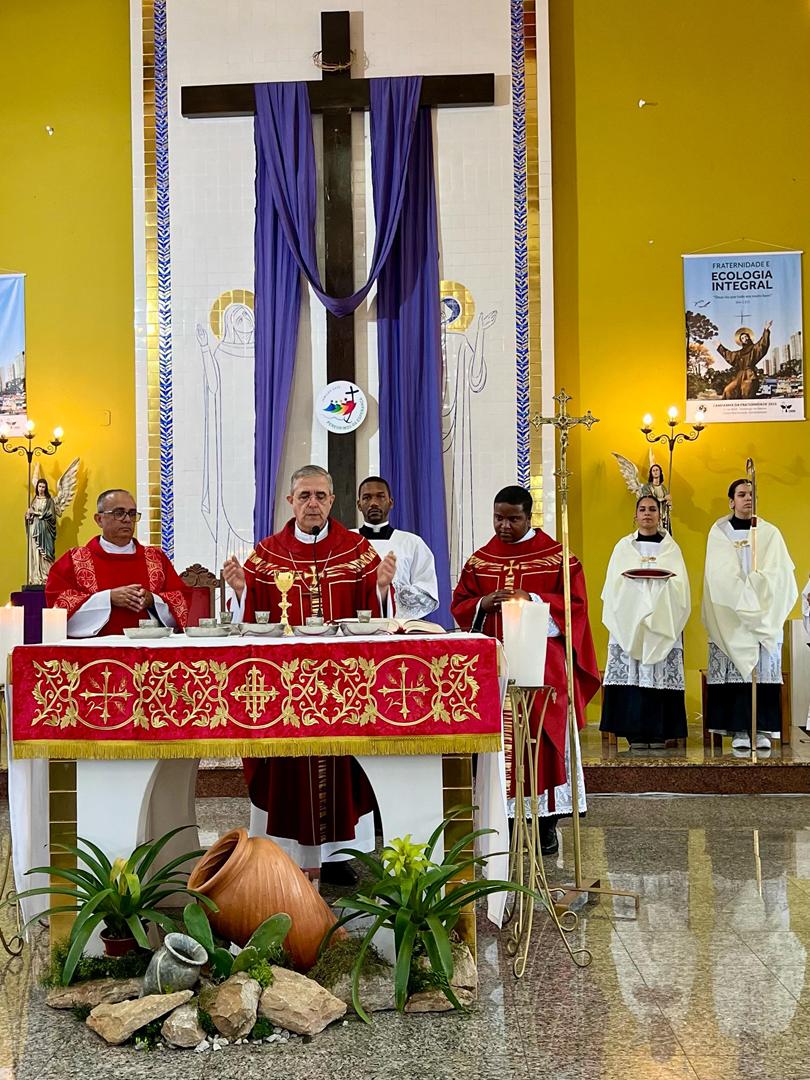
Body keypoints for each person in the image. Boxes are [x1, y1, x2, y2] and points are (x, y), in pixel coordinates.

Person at [222, 464, 397, 885]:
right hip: (283, 688)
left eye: (320, 495)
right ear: (291, 501)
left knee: (342, 765)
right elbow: (250, 620)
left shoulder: (357, 552)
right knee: (285, 767)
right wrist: (242, 590)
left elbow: (376, 616)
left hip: (343, 685)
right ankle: (281, 854)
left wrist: (379, 587)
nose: (313, 503)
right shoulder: (266, 555)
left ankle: (337, 856)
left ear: (332, 501)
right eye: (304, 496)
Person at [451, 484, 600, 855]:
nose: (504, 526)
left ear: (528, 517)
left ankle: (546, 823)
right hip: (495, 671)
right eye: (498, 518)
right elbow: (462, 602)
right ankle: (505, 823)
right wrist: (483, 602)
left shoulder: (557, 557)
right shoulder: (481, 561)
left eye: (513, 519)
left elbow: (576, 607)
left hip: (544, 670)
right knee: (502, 748)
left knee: (543, 744)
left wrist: (531, 599)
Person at [702, 478, 797, 752]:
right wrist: (741, 594)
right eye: (742, 494)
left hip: (762, 612)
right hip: (729, 613)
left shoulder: (769, 533)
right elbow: (716, 573)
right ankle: (738, 729)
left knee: (762, 673)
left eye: (751, 494)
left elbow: (780, 573)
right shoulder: (719, 532)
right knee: (735, 673)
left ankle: (762, 728)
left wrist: (758, 586)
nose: (747, 499)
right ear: (731, 501)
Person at [600, 495, 690, 750]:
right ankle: (634, 733)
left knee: (659, 674)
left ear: (660, 515)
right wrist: (638, 593)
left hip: (662, 619)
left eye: (652, 509)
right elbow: (613, 585)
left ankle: (661, 732)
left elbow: (681, 586)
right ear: (635, 515)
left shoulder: (671, 548)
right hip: (629, 621)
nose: (647, 513)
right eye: (642, 509)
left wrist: (658, 591)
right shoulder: (623, 547)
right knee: (633, 674)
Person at [46, 489, 190, 635]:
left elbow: (181, 602)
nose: (127, 519)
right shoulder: (75, 559)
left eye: (132, 514)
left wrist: (153, 600)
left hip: (149, 645)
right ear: (99, 519)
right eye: (119, 513)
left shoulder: (156, 558)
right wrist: (108, 598)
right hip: (95, 648)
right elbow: (58, 608)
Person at [354, 475, 439, 622]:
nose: (374, 503)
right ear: (359, 504)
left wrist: (387, 590)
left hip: (398, 626)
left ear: (390, 502)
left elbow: (427, 593)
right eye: (367, 498)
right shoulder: (346, 542)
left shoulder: (412, 543)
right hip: (355, 625)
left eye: (380, 497)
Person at [714, 322, 772, 400]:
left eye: (746, 337)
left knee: (747, 391)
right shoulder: (739, 353)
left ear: (749, 337)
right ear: (741, 341)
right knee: (728, 391)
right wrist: (720, 347)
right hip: (740, 376)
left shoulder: (754, 349)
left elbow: (762, 345)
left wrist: (766, 330)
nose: (745, 339)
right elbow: (729, 356)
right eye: (743, 338)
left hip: (750, 375)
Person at [25, 478, 58, 586]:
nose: (41, 489)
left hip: (45, 530)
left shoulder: (49, 501)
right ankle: (36, 577)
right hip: (35, 529)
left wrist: (36, 513)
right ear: (37, 487)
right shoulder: (34, 500)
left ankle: (45, 576)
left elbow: (51, 516)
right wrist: (28, 516)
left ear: (46, 488)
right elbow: (30, 514)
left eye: (43, 487)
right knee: (35, 552)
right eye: (39, 486)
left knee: (45, 554)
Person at [641, 463, 672, 535]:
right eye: (653, 470)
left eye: (657, 470)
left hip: (662, 516)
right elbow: (650, 500)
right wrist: (664, 498)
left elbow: (667, 504)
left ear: (660, 472)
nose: (655, 472)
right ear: (651, 473)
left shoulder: (663, 488)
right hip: (652, 516)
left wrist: (669, 503)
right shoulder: (647, 487)